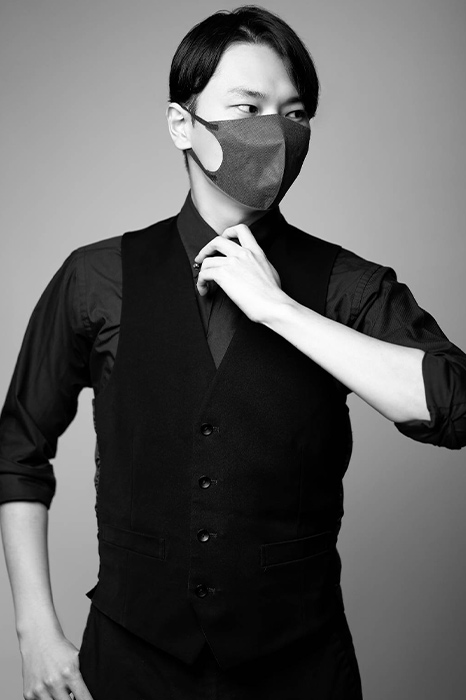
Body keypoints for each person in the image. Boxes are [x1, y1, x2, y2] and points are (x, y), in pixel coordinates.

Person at [0, 5, 465, 700]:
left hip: (299, 666)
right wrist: (33, 629)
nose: (276, 132)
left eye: (294, 113)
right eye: (248, 108)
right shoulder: (96, 277)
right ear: (181, 124)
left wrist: (281, 310)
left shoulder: (348, 283)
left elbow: (454, 406)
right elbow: (18, 448)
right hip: (132, 661)